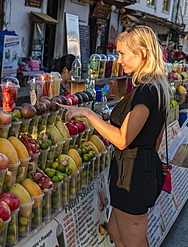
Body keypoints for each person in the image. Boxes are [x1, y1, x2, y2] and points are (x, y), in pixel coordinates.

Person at [59, 25, 170, 246]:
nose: (119, 60)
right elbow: (158, 136)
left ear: (143, 54)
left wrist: (88, 113)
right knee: (116, 232)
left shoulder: (147, 90)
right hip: (135, 169)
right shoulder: (155, 87)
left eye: (122, 54)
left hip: (134, 175)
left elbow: (121, 139)